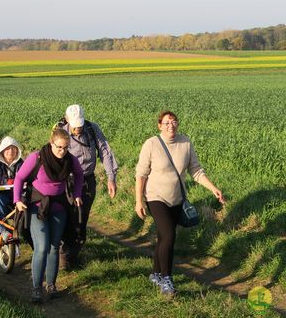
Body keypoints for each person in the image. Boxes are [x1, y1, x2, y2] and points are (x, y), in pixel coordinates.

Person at [135, 110, 225, 297]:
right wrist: (139, 201)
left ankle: (155, 273)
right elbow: (141, 175)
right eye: (167, 123)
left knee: (163, 237)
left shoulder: (185, 143)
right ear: (159, 125)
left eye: (174, 122)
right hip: (155, 197)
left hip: (177, 199)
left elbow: (196, 171)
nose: (171, 125)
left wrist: (213, 188)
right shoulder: (151, 144)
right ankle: (167, 280)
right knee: (169, 236)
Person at [14, 128, 84, 303]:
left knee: (54, 247)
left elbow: (79, 174)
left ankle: (51, 286)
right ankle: (36, 288)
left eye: (66, 147)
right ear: (51, 143)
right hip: (37, 207)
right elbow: (19, 178)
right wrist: (17, 200)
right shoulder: (37, 158)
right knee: (42, 247)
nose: (62, 151)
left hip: (59, 207)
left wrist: (77, 194)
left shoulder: (70, 160)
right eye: (59, 147)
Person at [54, 104, 119, 269]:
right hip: (66, 182)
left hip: (87, 181)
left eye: (80, 125)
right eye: (75, 125)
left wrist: (111, 178)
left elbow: (105, 151)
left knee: (82, 218)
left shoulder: (92, 129)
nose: (78, 129)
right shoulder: (60, 133)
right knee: (67, 217)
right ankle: (62, 258)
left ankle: (73, 255)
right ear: (68, 120)